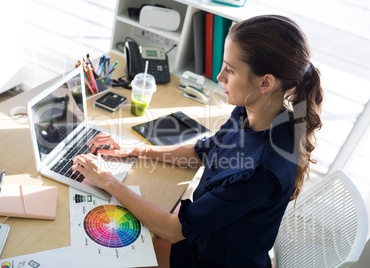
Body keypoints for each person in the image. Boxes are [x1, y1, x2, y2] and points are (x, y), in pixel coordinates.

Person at [72, 15, 323, 268]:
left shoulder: (261, 172)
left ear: (265, 83)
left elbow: (172, 230)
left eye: (231, 70)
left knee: (113, 252)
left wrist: (107, 181)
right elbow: (203, 151)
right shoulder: (255, 114)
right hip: (206, 236)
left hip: (215, 260)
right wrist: (136, 150)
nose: (219, 76)